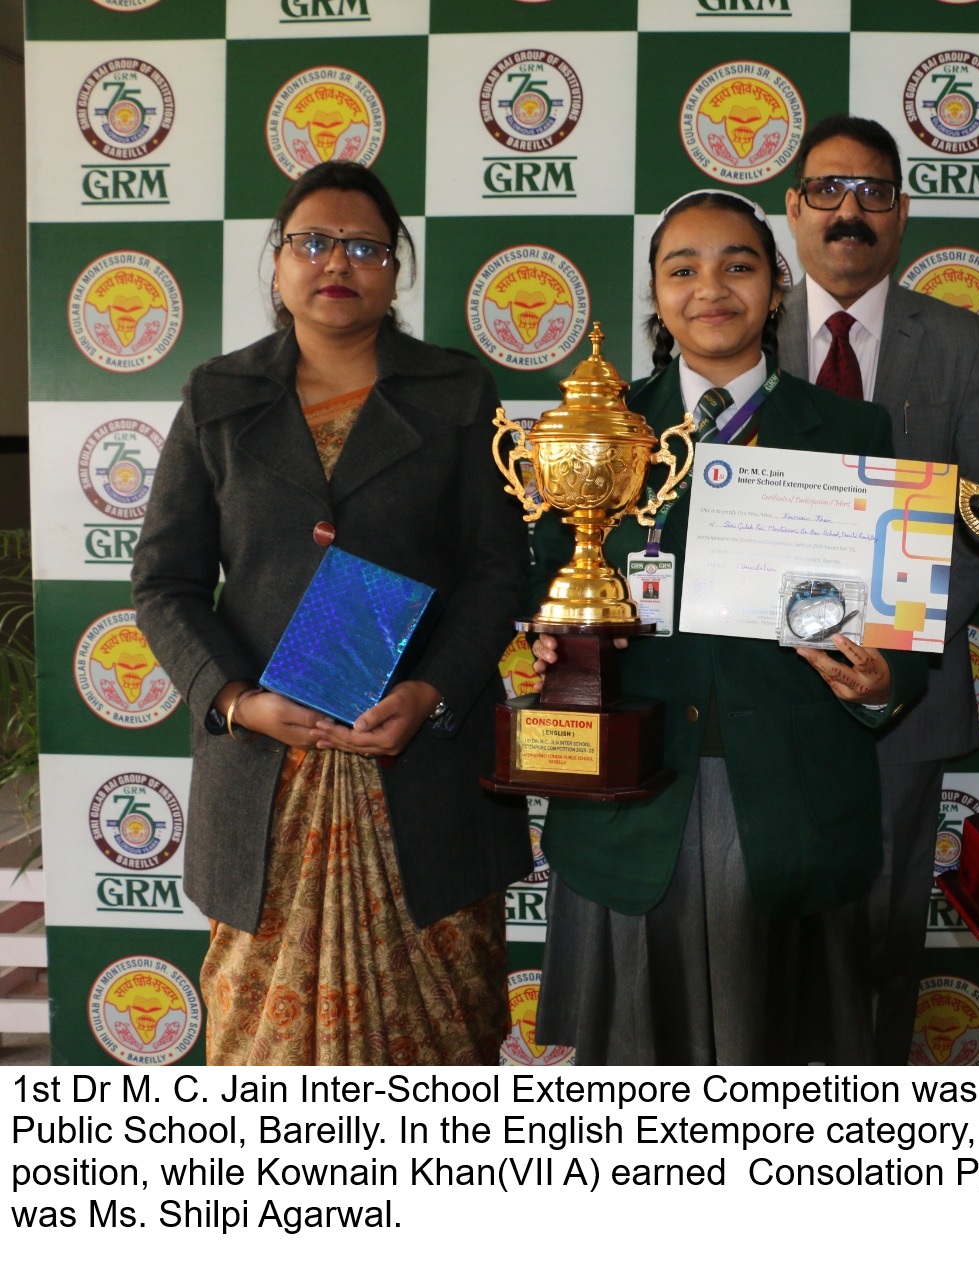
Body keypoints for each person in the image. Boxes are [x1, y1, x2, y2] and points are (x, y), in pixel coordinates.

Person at [131, 161, 529, 1065]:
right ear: (277, 262)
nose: (337, 262)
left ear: (396, 268)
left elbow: (498, 570)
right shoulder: (217, 395)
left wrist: (432, 693)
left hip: (423, 775)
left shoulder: (459, 392)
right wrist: (236, 699)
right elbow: (164, 582)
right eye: (312, 242)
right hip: (264, 781)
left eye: (363, 247)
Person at [528, 190, 928, 1065]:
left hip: (792, 798)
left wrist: (881, 681)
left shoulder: (853, 430)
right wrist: (548, 641)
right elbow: (543, 585)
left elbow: (900, 628)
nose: (711, 288)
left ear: (777, 285)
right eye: (683, 269)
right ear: (656, 293)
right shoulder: (598, 432)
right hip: (633, 798)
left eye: (738, 265)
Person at [778, 115, 979, 1065]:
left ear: (903, 212)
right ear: (793, 208)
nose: (850, 211)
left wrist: (893, 643)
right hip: (757, 689)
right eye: (827, 190)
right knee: (757, 935)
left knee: (878, 947)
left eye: (873, 192)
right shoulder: (736, 328)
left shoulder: (965, 342)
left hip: (903, 696)